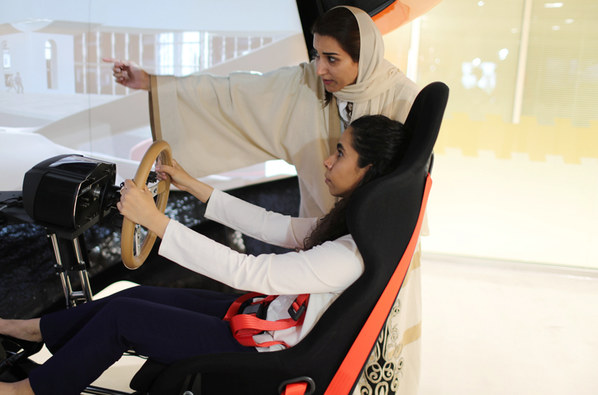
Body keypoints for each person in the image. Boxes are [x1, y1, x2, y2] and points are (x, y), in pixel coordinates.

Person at [0, 114, 410, 395]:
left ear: (369, 172)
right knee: (128, 298)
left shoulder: (348, 255)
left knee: (122, 320)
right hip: (264, 318)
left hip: (260, 348)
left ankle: (25, 393)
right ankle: (32, 331)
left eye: (340, 153)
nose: (329, 162)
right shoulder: (354, 230)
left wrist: (156, 221)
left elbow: (248, 270)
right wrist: (191, 183)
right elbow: (272, 226)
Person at [106, 6, 423, 393]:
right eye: (316, 55)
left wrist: (158, 224)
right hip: (317, 233)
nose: (320, 69)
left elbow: (247, 272)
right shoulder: (309, 83)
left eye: (332, 59)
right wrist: (156, 83)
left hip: (362, 253)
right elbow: (236, 93)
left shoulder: (404, 100)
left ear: (365, 56)